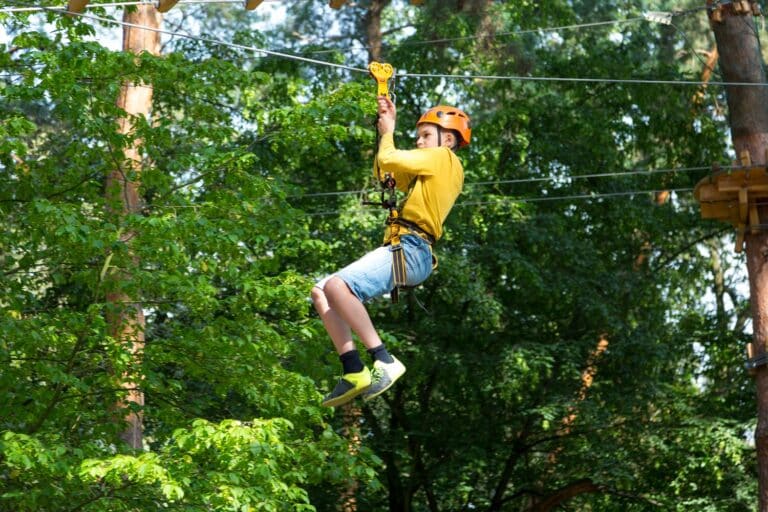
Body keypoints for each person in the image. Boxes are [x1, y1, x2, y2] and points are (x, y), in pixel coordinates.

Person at [311, 96, 471, 407]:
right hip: (405, 250)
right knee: (321, 291)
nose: (419, 140)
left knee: (337, 286)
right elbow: (386, 174)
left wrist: (389, 132)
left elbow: (391, 158)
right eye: (418, 136)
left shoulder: (445, 159)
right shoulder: (431, 169)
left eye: (426, 135)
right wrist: (384, 128)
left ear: (447, 139)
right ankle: (353, 370)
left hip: (412, 250)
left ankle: (384, 360)